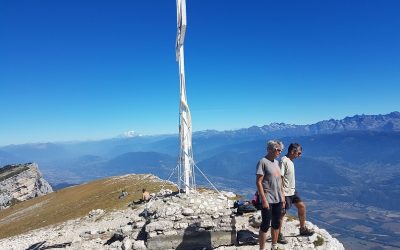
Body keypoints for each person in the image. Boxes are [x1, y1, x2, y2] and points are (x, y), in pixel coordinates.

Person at [278, 143, 314, 244]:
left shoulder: (290, 161)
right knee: (282, 214)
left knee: (301, 206)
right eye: (298, 153)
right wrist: (282, 195)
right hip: (285, 192)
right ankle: (278, 235)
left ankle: (302, 229)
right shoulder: (283, 161)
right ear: (293, 151)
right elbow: (279, 178)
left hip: (292, 191)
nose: (299, 155)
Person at [256, 140, 285, 250]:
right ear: (270, 149)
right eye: (278, 150)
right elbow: (258, 182)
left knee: (276, 223)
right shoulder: (262, 162)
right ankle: (262, 249)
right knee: (265, 225)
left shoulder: (277, 163)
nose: (279, 152)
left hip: (278, 198)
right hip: (267, 198)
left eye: (280, 150)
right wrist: (263, 199)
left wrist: (282, 196)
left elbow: (279, 181)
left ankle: (274, 246)